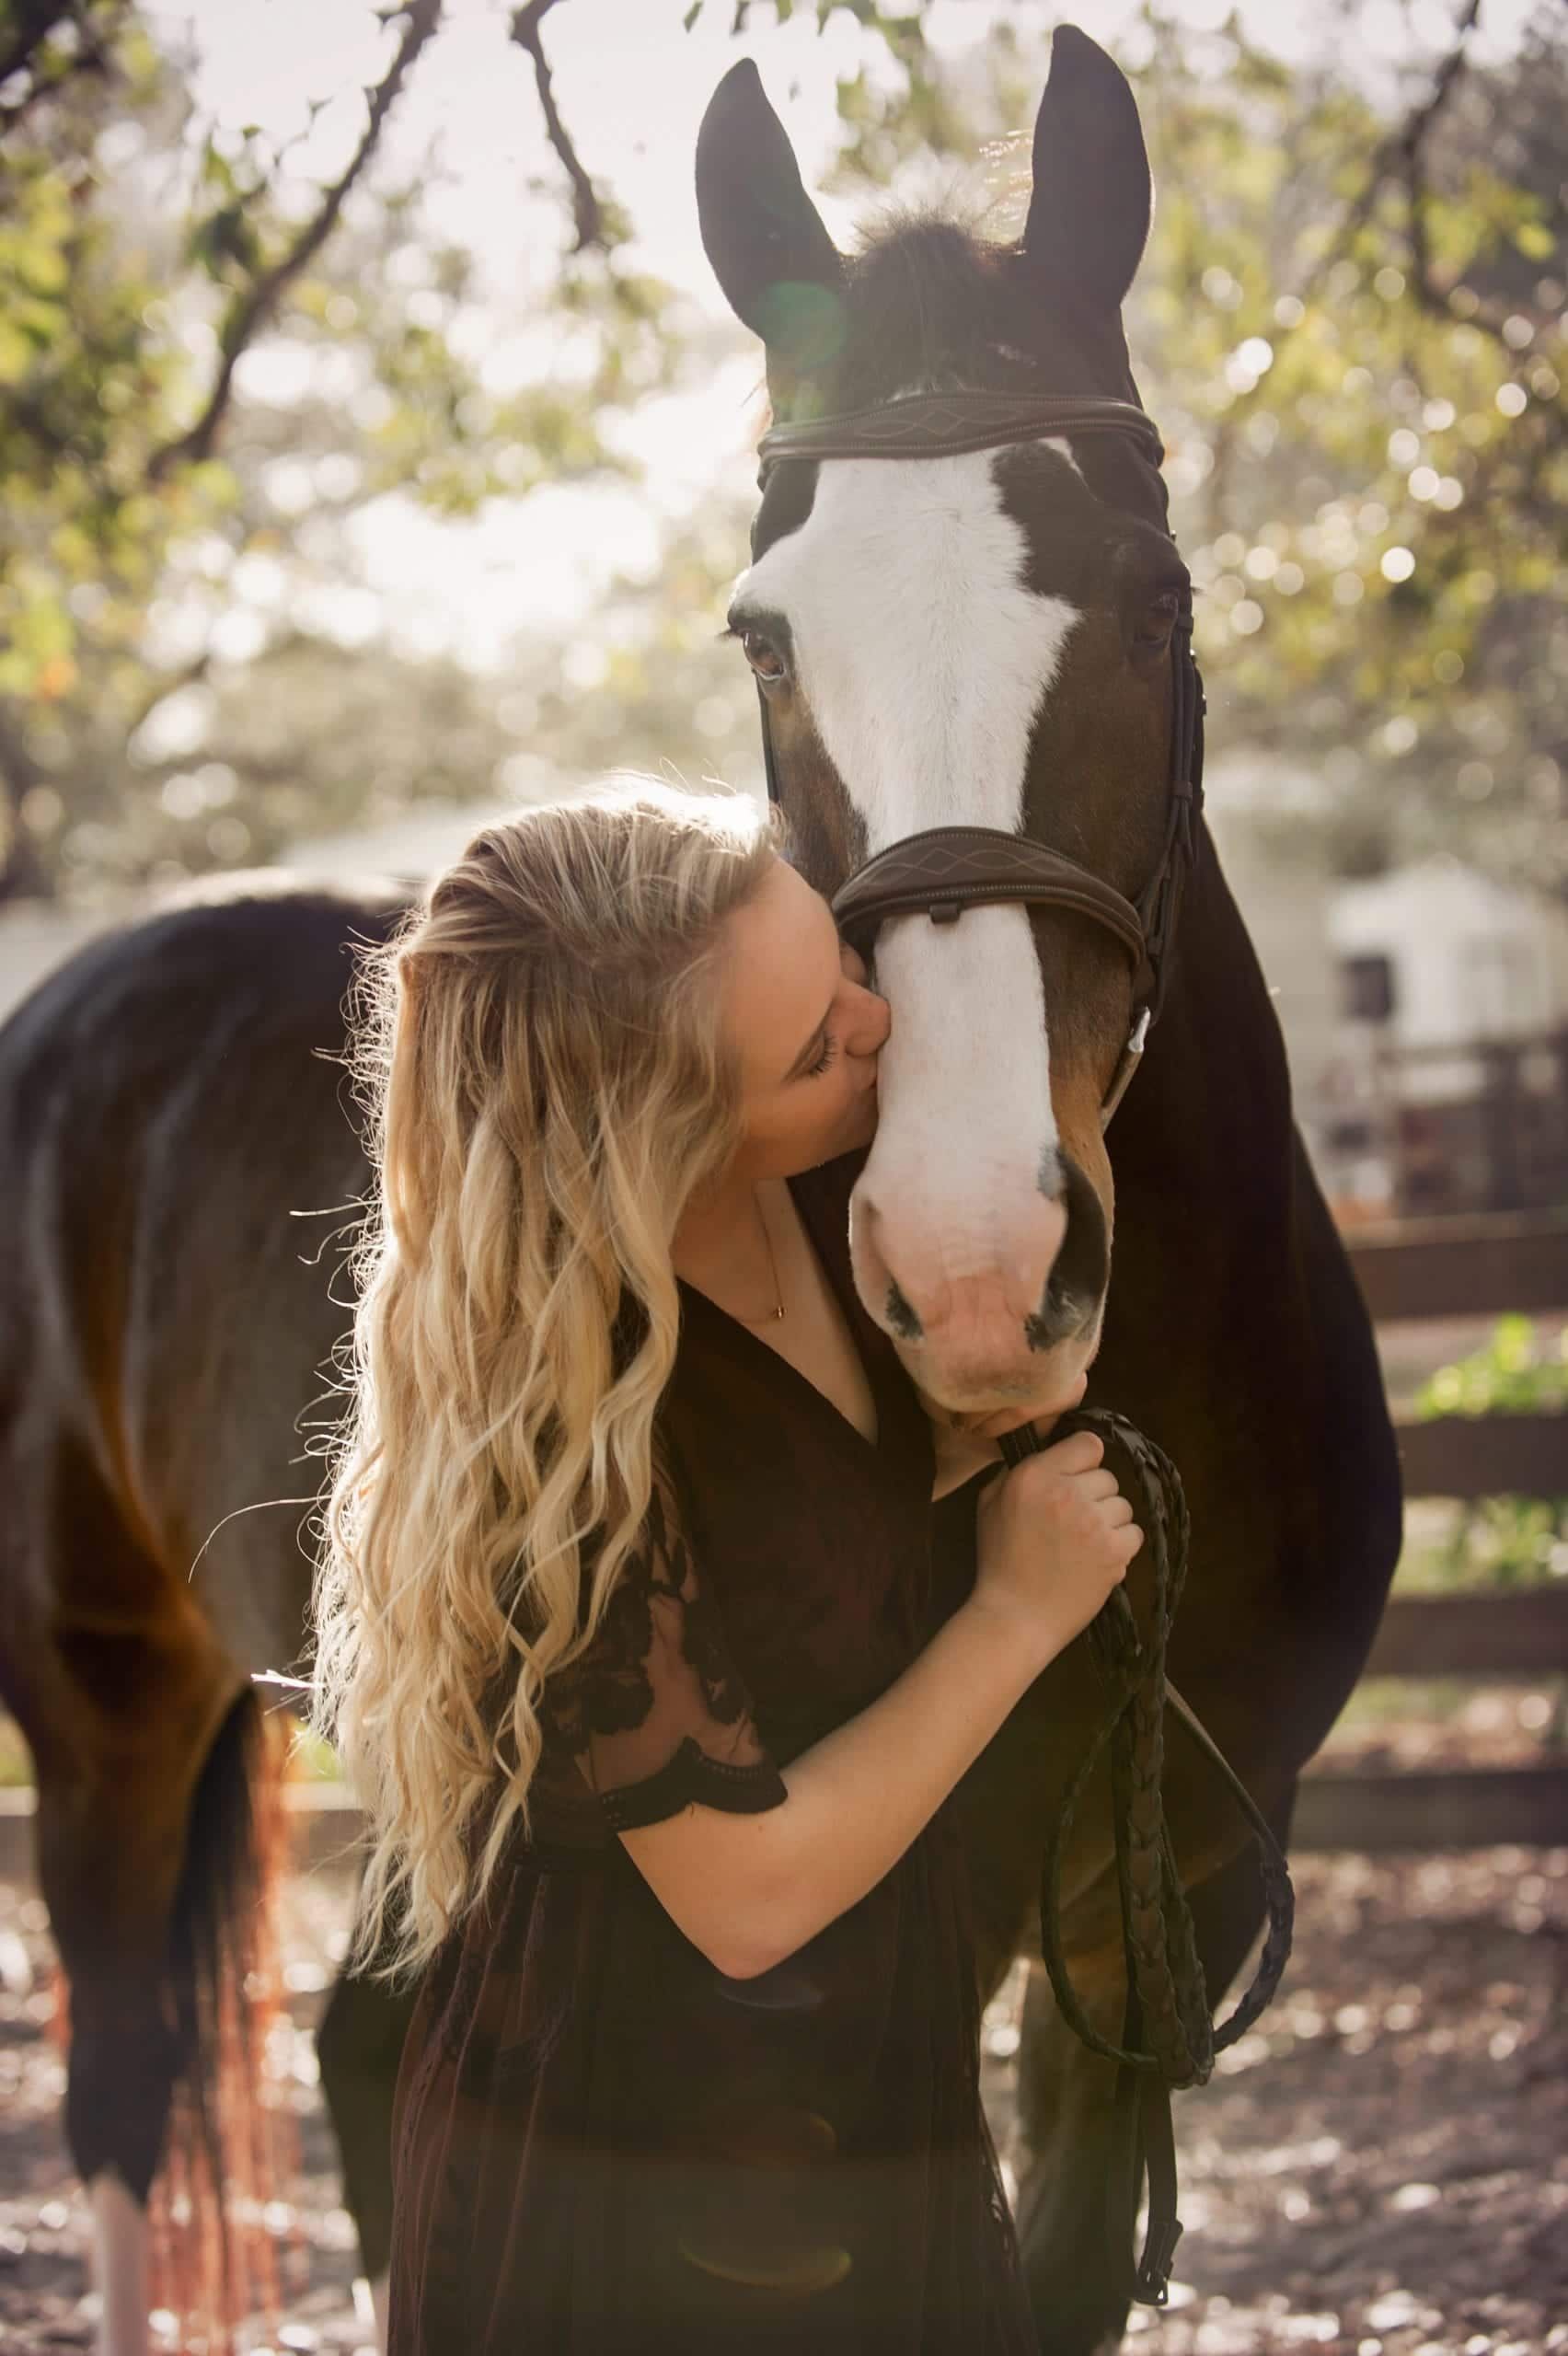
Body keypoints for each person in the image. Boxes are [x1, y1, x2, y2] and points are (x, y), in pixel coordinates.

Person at [309, 778, 1141, 2354]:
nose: (873, 1028)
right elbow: (746, 1897)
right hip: (650, 2166)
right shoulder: (558, 1431)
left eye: (839, 961)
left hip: (869, 2072)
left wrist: (947, 1465)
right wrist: (1017, 1613)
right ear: (661, 1134)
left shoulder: (821, 1199)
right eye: (815, 1048)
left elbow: (801, 1554)